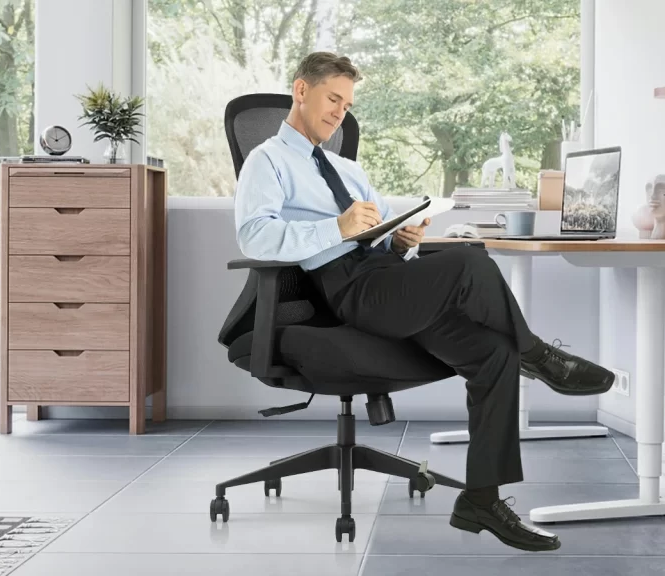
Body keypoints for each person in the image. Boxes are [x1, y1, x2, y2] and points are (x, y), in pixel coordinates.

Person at [234, 51, 615, 552]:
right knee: (469, 262)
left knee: (492, 354)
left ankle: (482, 499)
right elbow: (253, 238)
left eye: (347, 105)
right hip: (348, 290)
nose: (339, 113)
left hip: (387, 277)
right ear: (301, 91)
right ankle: (541, 356)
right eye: (333, 99)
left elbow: (373, 239)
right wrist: (337, 227)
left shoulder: (348, 169)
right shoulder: (267, 160)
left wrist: (398, 238)